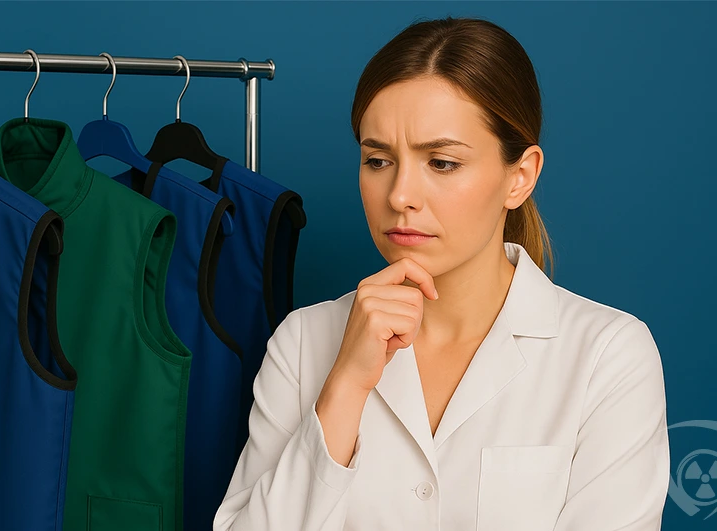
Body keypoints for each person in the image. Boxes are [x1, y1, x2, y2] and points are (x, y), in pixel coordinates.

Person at [213, 15, 669, 531]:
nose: (400, 196)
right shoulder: (303, 342)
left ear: (519, 177)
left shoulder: (608, 356)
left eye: (442, 163)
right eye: (379, 161)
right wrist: (344, 386)